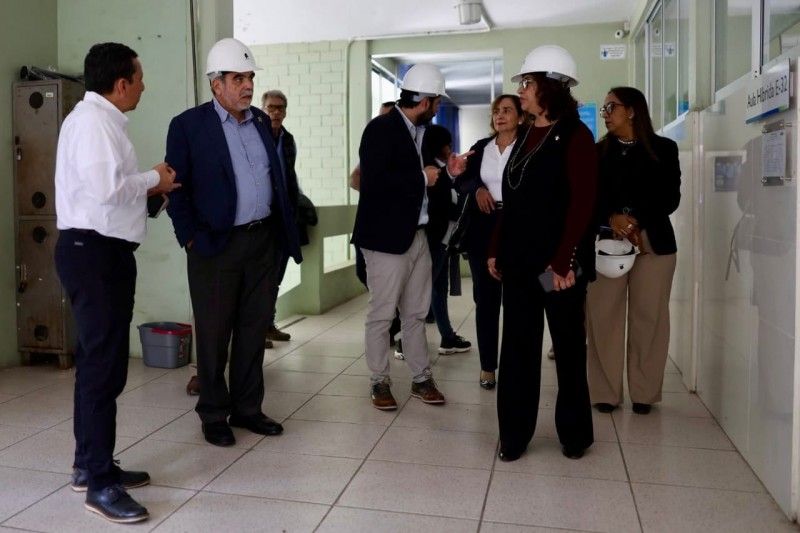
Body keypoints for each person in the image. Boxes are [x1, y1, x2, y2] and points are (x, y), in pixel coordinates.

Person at [54, 42, 178, 523]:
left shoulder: (102, 123)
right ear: (122, 83)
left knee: (97, 365)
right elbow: (107, 189)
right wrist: (153, 178)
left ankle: (90, 466)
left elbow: (106, 197)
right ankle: (100, 485)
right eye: (140, 78)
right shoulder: (92, 123)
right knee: (103, 369)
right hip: (94, 256)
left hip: (100, 252)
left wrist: (155, 192)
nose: (144, 86)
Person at [165, 38, 302, 447]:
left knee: (252, 330)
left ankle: (247, 408)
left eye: (250, 78)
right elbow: (176, 189)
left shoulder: (259, 120)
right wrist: (189, 238)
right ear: (216, 84)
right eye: (238, 78)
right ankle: (213, 413)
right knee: (213, 334)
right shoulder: (188, 125)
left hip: (262, 242)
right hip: (214, 246)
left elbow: (276, 178)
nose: (247, 86)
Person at [488, 45, 597, 462]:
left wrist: (564, 261)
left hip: (557, 266)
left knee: (568, 349)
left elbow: (582, 204)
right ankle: (514, 436)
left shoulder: (576, 135)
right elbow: (512, 200)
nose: (520, 90)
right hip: (518, 263)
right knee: (517, 350)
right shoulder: (525, 134)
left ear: (550, 87)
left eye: (527, 83)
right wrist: (496, 248)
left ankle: (575, 434)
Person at [352, 63, 469, 410]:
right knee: (382, 314)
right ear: (425, 100)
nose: (437, 108)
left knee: (416, 314)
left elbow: (429, 181)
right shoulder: (380, 129)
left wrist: (448, 173)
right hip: (385, 239)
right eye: (437, 102)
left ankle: (421, 378)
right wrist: (421, 177)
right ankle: (379, 381)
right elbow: (372, 182)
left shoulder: (422, 134)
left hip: (419, 236)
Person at [586, 86, 681, 415]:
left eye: (611, 107)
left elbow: (670, 197)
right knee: (603, 317)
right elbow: (588, 197)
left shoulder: (664, 148)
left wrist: (634, 220)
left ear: (631, 111)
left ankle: (644, 393)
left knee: (649, 318)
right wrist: (611, 217)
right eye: (604, 108)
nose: (606, 114)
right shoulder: (598, 152)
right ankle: (605, 392)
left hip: (653, 241)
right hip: (607, 242)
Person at [455, 94, 526, 390]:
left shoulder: (529, 146)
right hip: (482, 228)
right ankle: (488, 366)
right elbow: (460, 179)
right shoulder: (481, 147)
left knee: (517, 301)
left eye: (507, 110)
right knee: (485, 301)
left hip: (518, 227)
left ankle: (515, 365)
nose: (500, 115)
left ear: (521, 117)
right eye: (496, 111)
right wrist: (477, 189)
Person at [349, 101, 401, 349]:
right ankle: (391, 317)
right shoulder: (374, 149)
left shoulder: (404, 151)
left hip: (395, 229)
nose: (382, 122)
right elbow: (354, 179)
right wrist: (377, 189)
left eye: (387, 117)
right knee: (363, 273)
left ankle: (393, 325)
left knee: (394, 283)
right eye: (380, 116)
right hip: (369, 224)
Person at [421, 125, 472, 356]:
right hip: (433, 241)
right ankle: (405, 340)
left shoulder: (445, 170)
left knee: (439, 289)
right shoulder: (431, 172)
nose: (450, 148)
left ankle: (447, 336)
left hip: (443, 241)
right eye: (447, 143)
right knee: (421, 293)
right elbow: (439, 207)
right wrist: (460, 209)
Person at [262, 89, 299, 346]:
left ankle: (268, 324)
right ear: (263, 109)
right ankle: (255, 331)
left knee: (277, 273)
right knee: (260, 276)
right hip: (261, 216)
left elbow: (290, 175)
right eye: (271, 107)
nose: (276, 112)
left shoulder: (288, 140)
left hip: (284, 216)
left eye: (280, 108)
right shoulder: (256, 136)